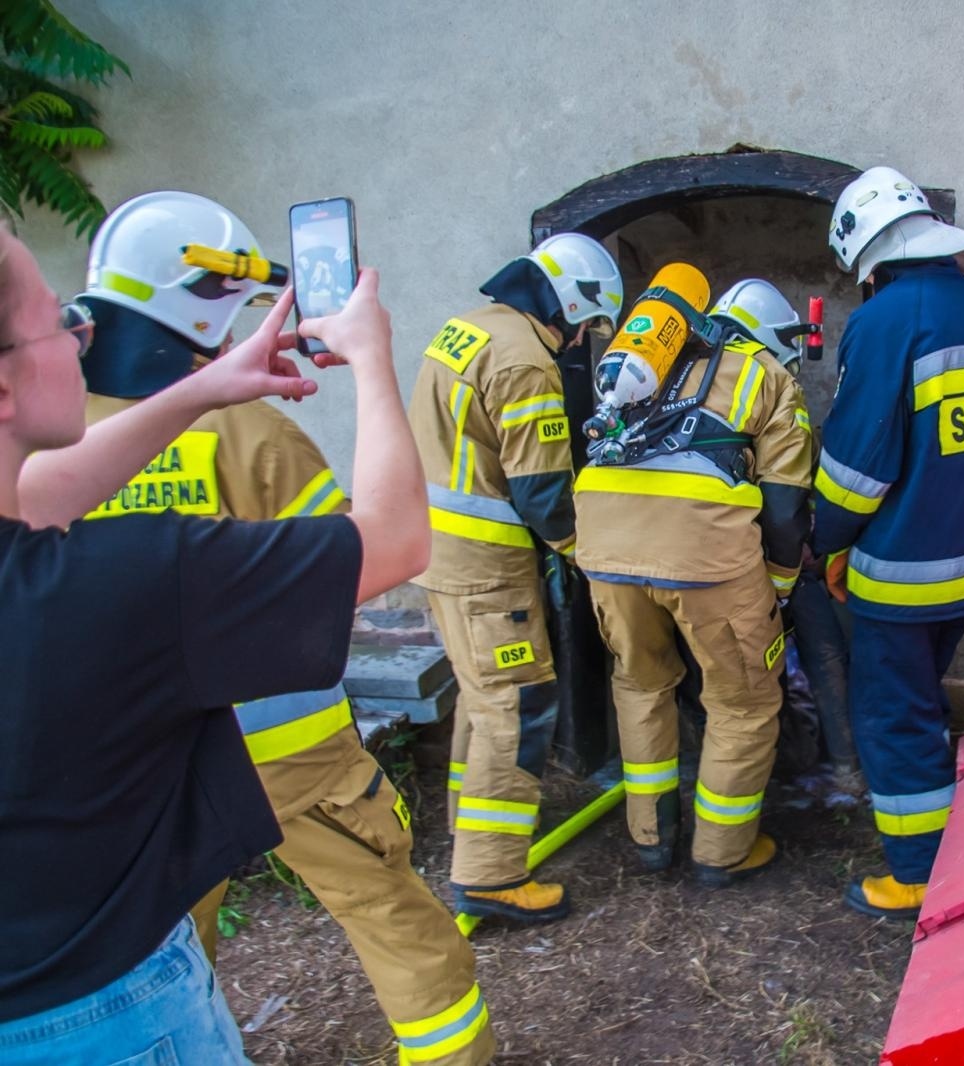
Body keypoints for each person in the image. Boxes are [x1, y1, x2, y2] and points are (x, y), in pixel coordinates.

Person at [76, 191, 492, 1066]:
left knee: (166, 941)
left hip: (141, 767)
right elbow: (360, 569)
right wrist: (367, 359)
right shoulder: (253, 435)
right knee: (385, 909)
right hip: (290, 751)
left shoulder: (47, 451)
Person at [0, 224, 431, 1062]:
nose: (82, 332)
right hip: (106, 1020)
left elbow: (43, 492)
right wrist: (374, 357)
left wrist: (204, 390)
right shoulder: (135, 579)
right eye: (58, 320)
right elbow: (396, 537)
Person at [813, 166, 964, 919]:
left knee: (891, 718)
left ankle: (919, 875)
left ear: (869, 260)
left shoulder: (885, 321)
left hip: (903, 570)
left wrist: (822, 538)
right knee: (920, 707)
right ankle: (944, 845)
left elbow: (855, 466)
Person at [408, 233, 622, 924]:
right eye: (588, 326)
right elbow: (541, 492)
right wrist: (590, 554)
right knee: (518, 708)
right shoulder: (526, 361)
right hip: (486, 568)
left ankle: (468, 845)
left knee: (481, 702)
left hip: (437, 555)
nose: (581, 342)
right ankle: (492, 875)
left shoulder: (467, 329)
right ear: (570, 303)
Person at [573, 266, 812, 885]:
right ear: (769, 337)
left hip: (602, 546)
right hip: (702, 553)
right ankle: (722, 853)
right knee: (744, 703)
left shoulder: (650, 366)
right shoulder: (767, 373)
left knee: (641, 683)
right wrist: (779, 588)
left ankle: (652, 840)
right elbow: (785, 506)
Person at [707, 279, 856, 776]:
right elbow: (784, 497)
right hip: (766, 557)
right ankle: (843, 766)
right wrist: (786, 578)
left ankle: (771, 768)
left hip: (695, 560)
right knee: (824, 653)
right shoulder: (770, 379)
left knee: (726, 679)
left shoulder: (687, 372)